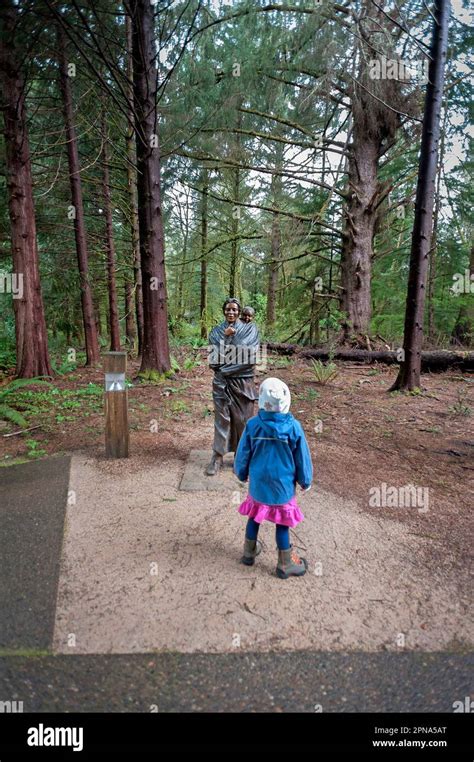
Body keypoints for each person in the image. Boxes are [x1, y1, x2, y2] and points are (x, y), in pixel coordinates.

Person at [234, 377, 313, 579]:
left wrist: (241, 473)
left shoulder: (253, 425)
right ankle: (285, 564)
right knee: (282, 524)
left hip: (259, 486)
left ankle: (248, 554)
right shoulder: (294, 427)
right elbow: (302, 457)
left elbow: (243, 452)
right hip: (282, 487)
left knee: (254, 518)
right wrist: (305, 480)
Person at [206, 298, 260, 476]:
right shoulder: (216, 332)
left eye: (235, 310)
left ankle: (241, 457)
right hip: (221, 383)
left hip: (243, 382)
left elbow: (250, 358)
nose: (231, 312)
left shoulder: (250, 329)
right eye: (228, 309)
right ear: (224, 311)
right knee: (221, 420)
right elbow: (213, 361)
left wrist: (225, 368)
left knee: (243, 420)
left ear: (239, 312)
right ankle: (218, 456)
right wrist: (225, 337)